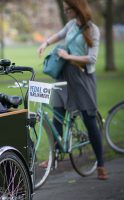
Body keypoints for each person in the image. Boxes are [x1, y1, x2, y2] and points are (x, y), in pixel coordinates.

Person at [37, 0, 108, 180]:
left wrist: (68, 56)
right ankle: (53, 158)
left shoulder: (92, 30)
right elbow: (58, 35)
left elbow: (92, 58)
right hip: (64, 74)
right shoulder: (70, 25)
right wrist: (45, 43)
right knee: (57, 117)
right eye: (65, 9)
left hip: (82, 77)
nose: (66, 12)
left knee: (89, 119)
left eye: (69, 9)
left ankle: (100, 164)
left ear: (78, 9)